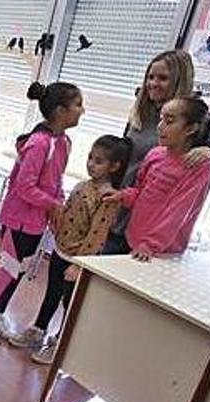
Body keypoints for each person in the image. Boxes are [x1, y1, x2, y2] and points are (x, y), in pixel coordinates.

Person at [0, 81, 83, 352]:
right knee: (7, 270)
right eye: (77, 105)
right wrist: (52, 205)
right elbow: (25, 186)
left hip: (36, 222)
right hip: (18, 219)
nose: (82, 110)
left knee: (18, 270)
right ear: (59, 110)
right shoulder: (39, 143)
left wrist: (58, 207)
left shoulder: (63, 142)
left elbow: (56, 181)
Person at [11, 135, 131, 364]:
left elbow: (97, 235)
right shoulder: (82, 185)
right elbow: (67, 214)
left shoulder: (107, 198)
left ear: (114, 167)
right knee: (51, 294)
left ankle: (61, 342)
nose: (91, 164)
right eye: (90, 158)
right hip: (60, 250)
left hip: (78, 260)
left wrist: (78, 264)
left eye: (99, 161)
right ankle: (38, 330)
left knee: (69, 303)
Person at [104, 50, 210, 254]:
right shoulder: (142, 110)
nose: (153, 83)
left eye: (162, 78)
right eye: (150, 77)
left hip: (151, 224)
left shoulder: (191, 121)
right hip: (124, 203)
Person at [102, 96, 210, 261]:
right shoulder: (155, 154)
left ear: (191, 128)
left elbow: (179, 211)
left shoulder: (200, 167)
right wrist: (122, 196)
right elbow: (140, 191)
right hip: (133, 240)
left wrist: (150, 244)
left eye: (169, 121)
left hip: (161, 252)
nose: (160, 126)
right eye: (161, 119)